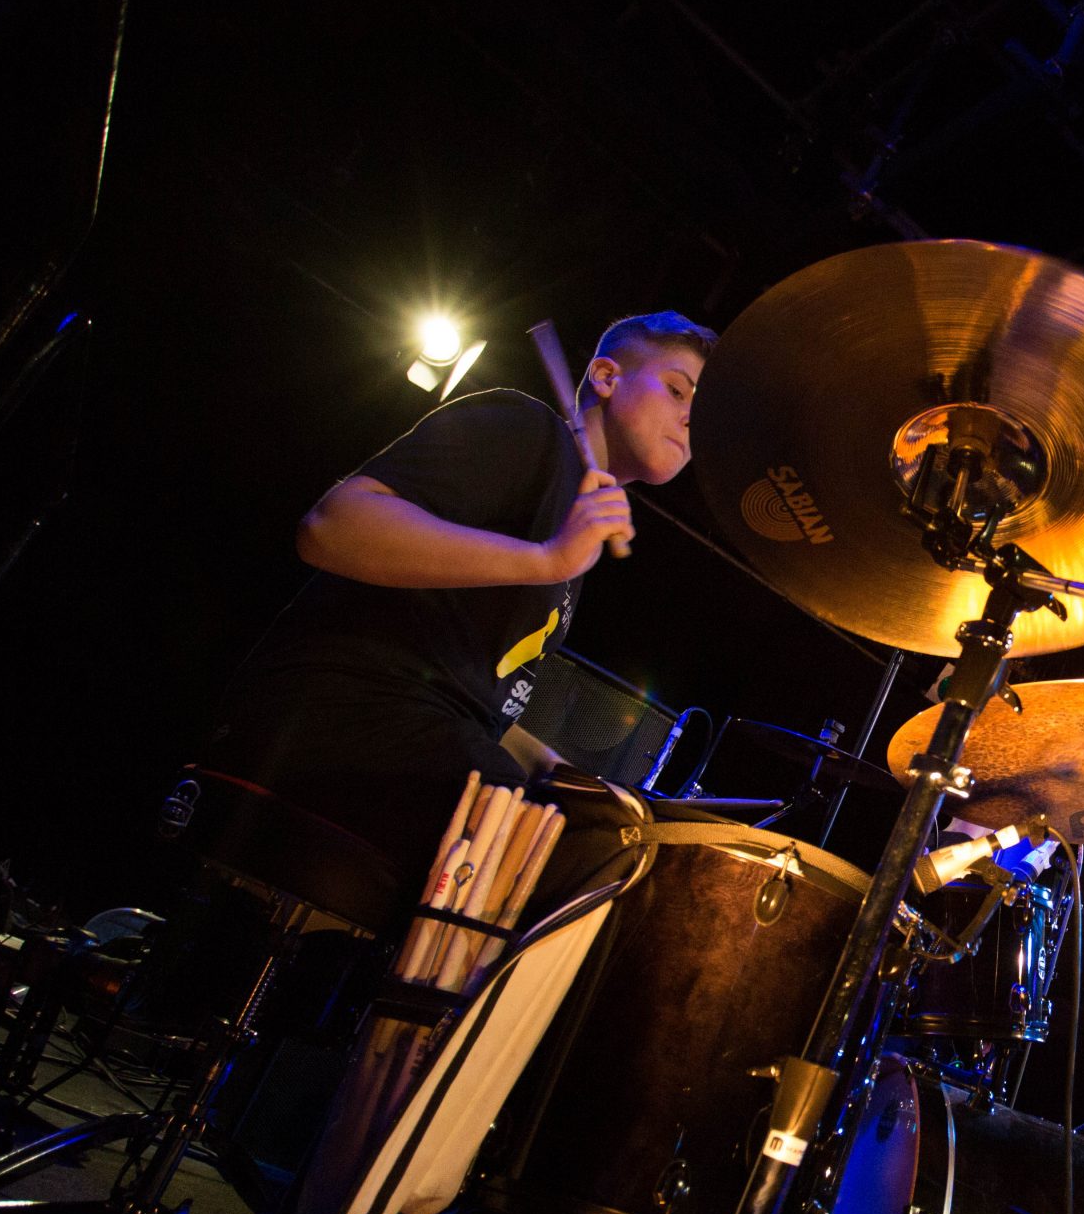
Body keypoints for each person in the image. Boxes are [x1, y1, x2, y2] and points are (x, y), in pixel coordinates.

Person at [205, 311, 715, 886]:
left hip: (423, 737)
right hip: (330, 717)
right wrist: (546, 560)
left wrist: (577, 781)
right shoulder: (526, 429)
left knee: (613, 840)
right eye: (677, 390)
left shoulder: (574, 521)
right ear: (605, 376)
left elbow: (474, 702)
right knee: (563, 853)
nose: (690, 418)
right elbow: (331, 527)